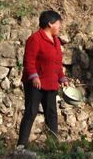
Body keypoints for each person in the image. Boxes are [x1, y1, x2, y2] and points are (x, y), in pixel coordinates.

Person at [18, 10, 65, 147]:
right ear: (50, 24)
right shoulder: (35, 39)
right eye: (58, 23)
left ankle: (52, 145)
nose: (59, 26)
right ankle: (21, 145)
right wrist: (34, 76)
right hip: (35, 84)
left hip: (51, 83)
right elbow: (29, 60)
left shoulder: (56, 41)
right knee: (31, 112)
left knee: (52, 114)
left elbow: (57, 63)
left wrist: (62, 78)